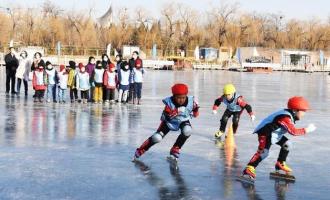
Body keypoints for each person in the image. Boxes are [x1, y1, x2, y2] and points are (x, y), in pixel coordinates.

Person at [241, 96, 317, 180]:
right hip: (265, 133)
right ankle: (249, 168)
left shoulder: (290, 115)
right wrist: (307, 130)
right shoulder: (285, 118)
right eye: (303, 111)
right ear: (295, 110)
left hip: (275, 133)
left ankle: (280, 164)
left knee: (287, 144)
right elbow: (293, 132)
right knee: (264, 152)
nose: (304, 113)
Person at [134, 83, 199, 160]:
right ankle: (142, 149)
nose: (181, 100)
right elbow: (167, 117)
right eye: (178, 98)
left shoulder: (191, 102)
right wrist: (176, 111)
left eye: (183, 97)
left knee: (187, 130)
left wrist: (195, 112)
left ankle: (176, 147)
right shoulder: (169, 103)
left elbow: (195, 110)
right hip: (169, 123)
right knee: (157, 138)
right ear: (174, 96)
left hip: (183, 121)